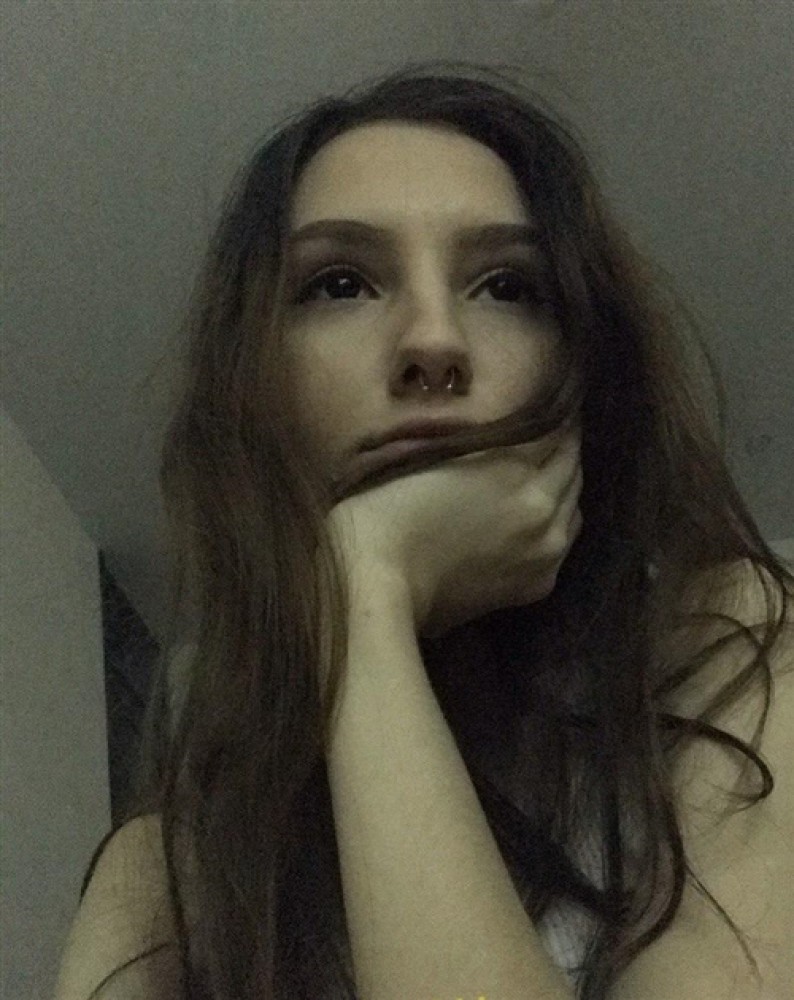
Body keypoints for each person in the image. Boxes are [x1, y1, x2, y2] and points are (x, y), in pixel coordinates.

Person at [54, 62, 794, 1000]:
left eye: (506, 285)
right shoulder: (164, 874)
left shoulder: (732, 649)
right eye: (341, 283)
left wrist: (363, 585)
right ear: (254, 381)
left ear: (582, 358)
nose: (434, 341)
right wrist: (363, 599)